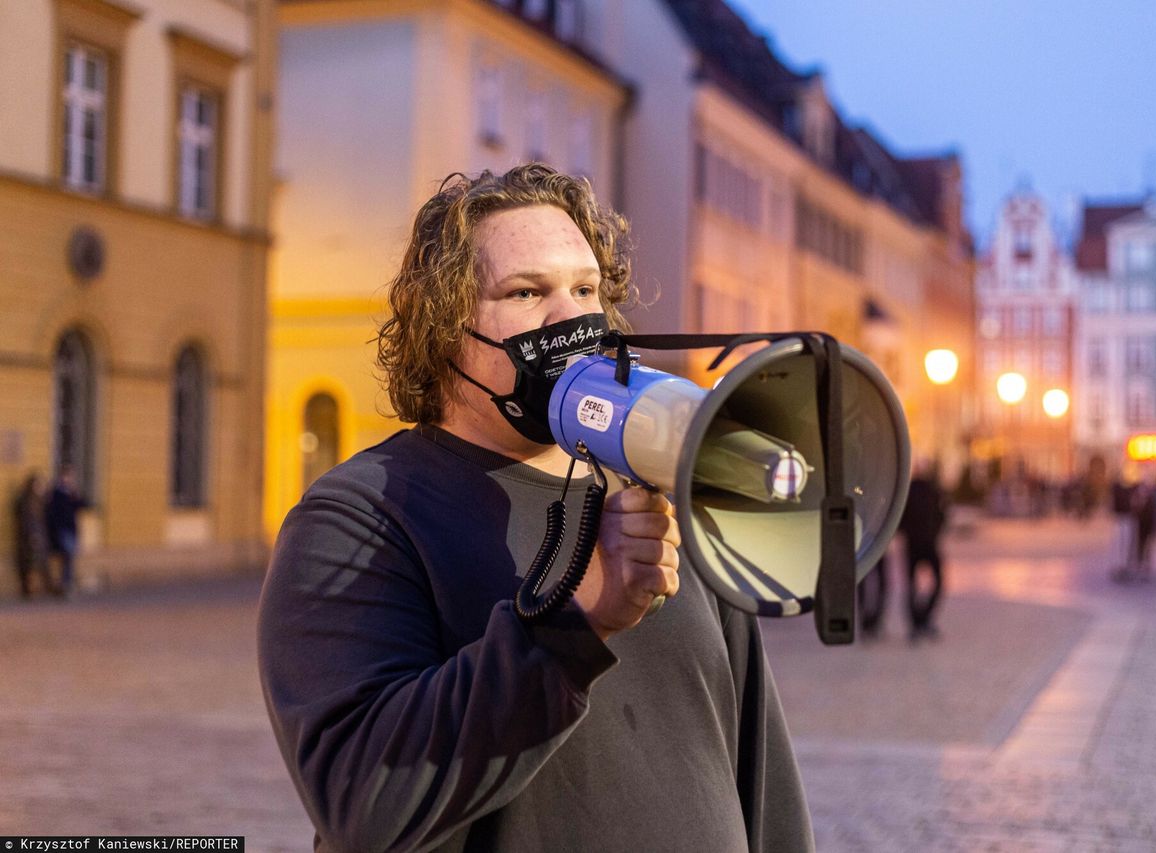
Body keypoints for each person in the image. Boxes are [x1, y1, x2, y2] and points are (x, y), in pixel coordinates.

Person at [257, 165, 813, 852]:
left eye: (585, 289)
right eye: (527, 292)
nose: (571, 318)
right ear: (441, 325)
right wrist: (569, 626)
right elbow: (365, 799)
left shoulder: (660, 485)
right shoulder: (361, 515)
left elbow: (760, 773)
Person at [900, 459, 946, 641]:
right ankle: (921, 620)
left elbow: (900, 518)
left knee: (912, 585)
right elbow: (942, 515)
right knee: (934, 581)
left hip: (914, 543)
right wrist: (934, 533)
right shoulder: (931, 490)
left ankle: (917, 621)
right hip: (927, 542)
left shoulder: (908, 491)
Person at [12, 472, 56, 598]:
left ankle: (41, 587)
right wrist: (33, 535)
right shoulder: (27, 501)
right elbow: (27, 520)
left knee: (38, 562)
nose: (41, 487)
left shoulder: (37, 499)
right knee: (30, 563)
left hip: (37, 535)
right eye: (39, 484)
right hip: (31, 537)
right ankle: (29, 589)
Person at [45, 465, 86, 596]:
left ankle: (66, 584)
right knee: (67, 557)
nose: (70, 479)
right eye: (68, 476)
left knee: (69, 558)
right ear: (62, 477)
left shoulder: (70, 493)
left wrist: (75, 494)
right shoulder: (57, 493)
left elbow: (81, 505)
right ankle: (65, 585)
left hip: (71, 529)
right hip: (62, 530)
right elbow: (53, 513)